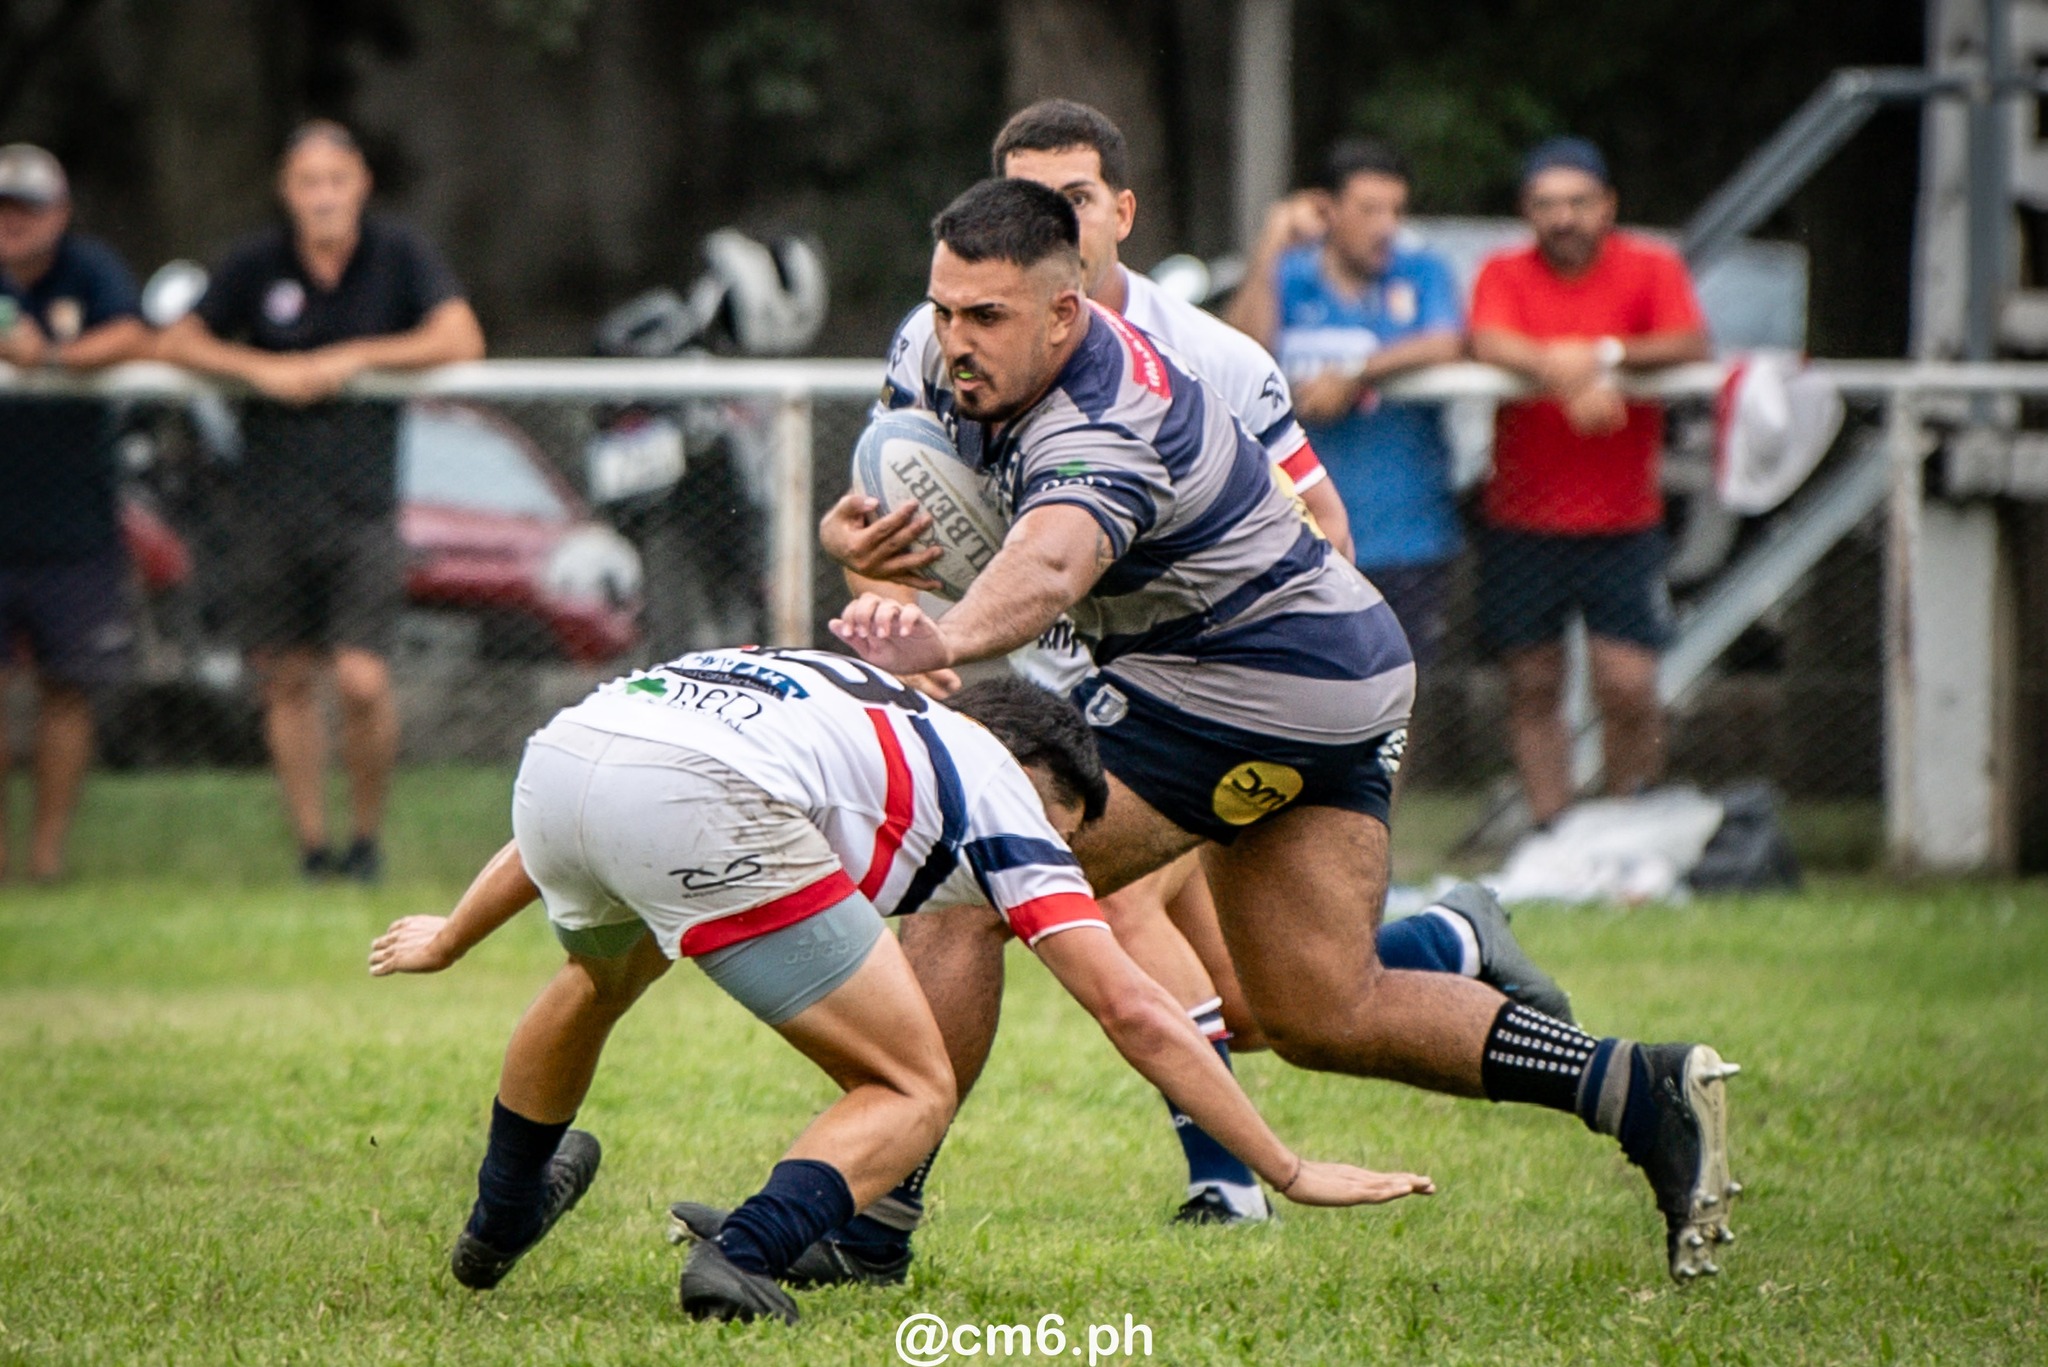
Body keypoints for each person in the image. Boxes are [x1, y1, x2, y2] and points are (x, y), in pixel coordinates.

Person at [823, 178, 1740, 1287]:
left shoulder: (1109, 409)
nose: (954, 342)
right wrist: (859, 535)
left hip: (1250, 681)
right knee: (1317, 1007)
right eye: (944, 310)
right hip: (1323, 668)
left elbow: (1053, 561)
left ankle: (862, 1225)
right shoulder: (945, 354)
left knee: (966, 879)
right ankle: (1639, 1089)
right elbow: (898, 485)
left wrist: (946, 637)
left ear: (1065, 311)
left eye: (986, 318)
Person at [369, 650, 1432, 1324]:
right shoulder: (1007, 794)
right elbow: (1134, 1009)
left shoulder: (847, 688)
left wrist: (457, 934)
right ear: (1045, 780)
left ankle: (501, 1218)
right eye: (1066, 838)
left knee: (596, 977)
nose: (1049, 866)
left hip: (568, 752)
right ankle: (744, 1253)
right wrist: (1285, 1165)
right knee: (913, 1082)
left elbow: (621, 770)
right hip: (694, 795)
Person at [976, 101, 1568, 1228]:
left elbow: (1323, 527)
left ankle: (1223, 1179)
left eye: (1075, 198)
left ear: (1121, 212)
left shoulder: (1196, 352)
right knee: (1257, 1002)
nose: (1049, 220)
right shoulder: (966, 336)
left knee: (1109, 907)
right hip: (1068, 691)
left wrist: (1236, 682)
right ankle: (1452, 936)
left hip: (1205, 695)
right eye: (1026, 197)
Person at [159, 119, 485, 882]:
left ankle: (365, 840)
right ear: (288, 190)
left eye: (337, 180)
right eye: (309, 182)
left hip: (363, 507)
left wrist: (354, 356)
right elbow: (174, 342)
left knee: (363, 679)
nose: (324, 196)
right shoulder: (255, 262)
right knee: (289, 678)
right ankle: (313, 849)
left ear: (360, 184)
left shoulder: (398, 255)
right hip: (268, 507)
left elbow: (461, 336)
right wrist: (257, 369)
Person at [1466, 137, 1711, 826]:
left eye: (1577, 202)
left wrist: (1602, 354)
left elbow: (1689, 341)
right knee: (1532, 682)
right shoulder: (1504, 272)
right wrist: (1567, 373)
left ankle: (1626, 820)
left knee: (1629, 683)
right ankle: (1556, 830)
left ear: (1607, 206)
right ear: (1527, 211)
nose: (1563, 217)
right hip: (1522, 515)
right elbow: (1487, 340)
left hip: (1624, 517)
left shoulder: (1651, 267)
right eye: (1546, 204)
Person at [1228, 138, 1464, 669]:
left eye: (1396, 212)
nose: (1385, 226)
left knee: (1400, 692)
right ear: (1328, 209)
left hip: (1408, 534)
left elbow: (1447, 341)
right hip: (1297, 531)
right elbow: (1242, 349)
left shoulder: (1422, 272)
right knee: (1300, 691)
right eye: (1369, 210)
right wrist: (1271, 244)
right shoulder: (1289, 275)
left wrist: (1356, 376)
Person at [0, 143, 151, 884]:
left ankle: (46, 858)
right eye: (1, 209)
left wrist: (52, 359)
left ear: (56, 213)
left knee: (68, 689)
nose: (12, 223)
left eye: (25, 209)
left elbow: (135, 332)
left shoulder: (89, 271)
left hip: (74, 526)